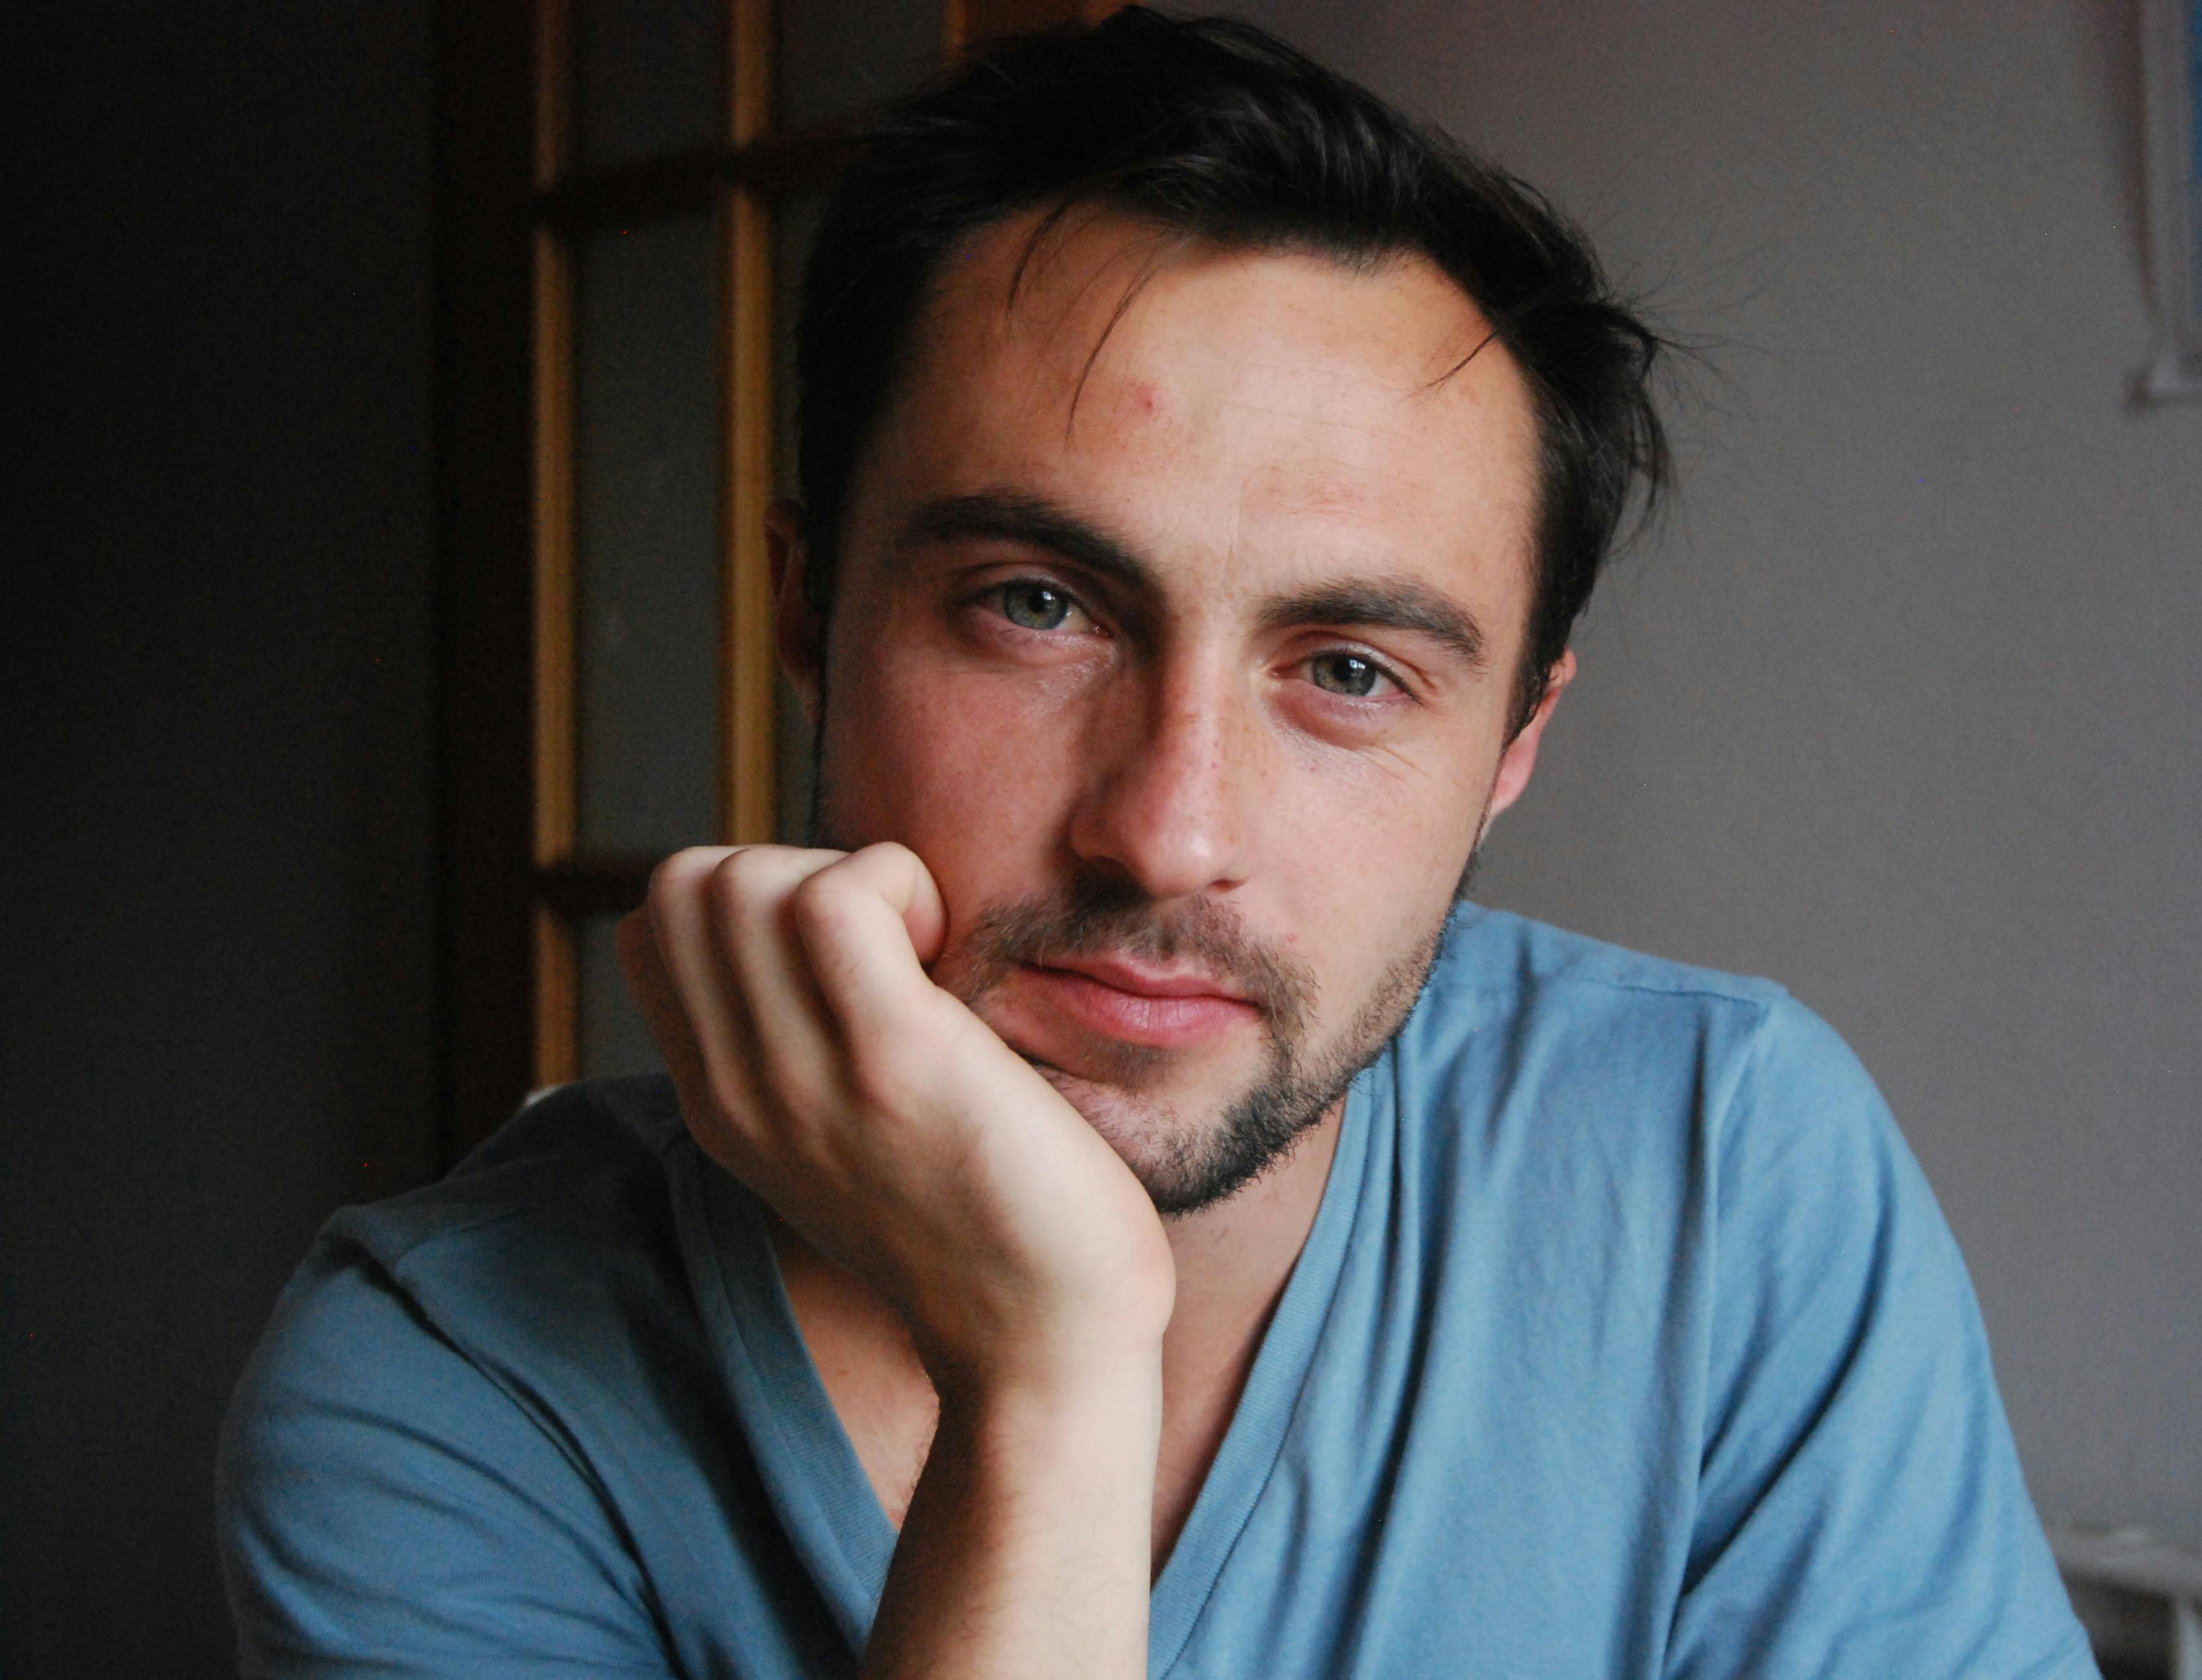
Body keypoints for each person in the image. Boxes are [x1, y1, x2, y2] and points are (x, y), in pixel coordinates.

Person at [218, 11, 2096, 1677]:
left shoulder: (1720, 1169)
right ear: (809, 614)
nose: (1168, 831)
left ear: (1516, 741)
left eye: (1348, 670)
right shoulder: (450, 1376)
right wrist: (1046, 1373)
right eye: (1036, 606)